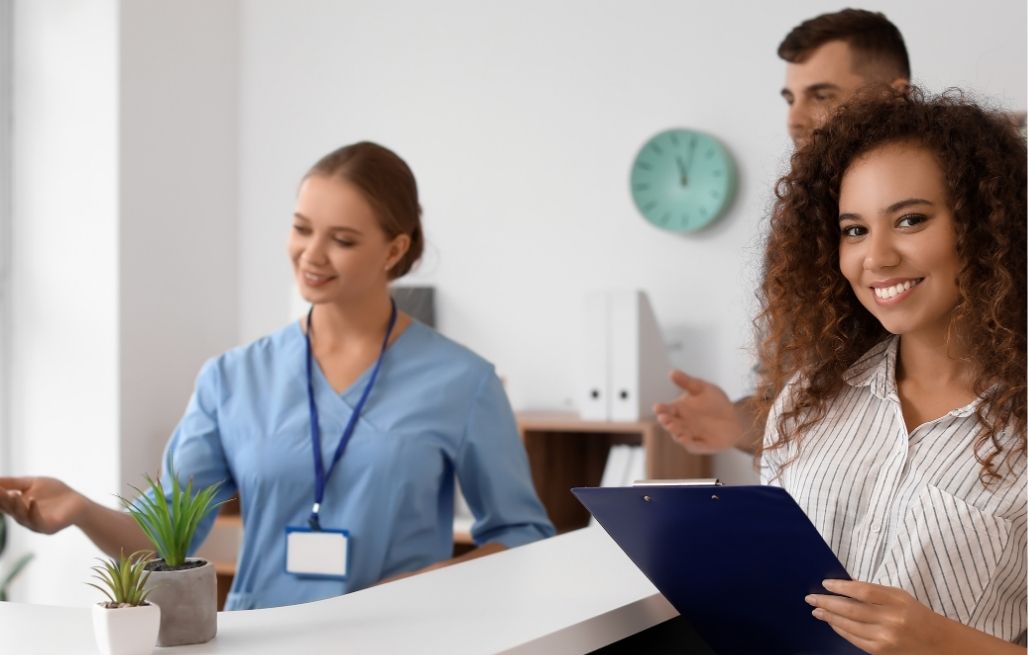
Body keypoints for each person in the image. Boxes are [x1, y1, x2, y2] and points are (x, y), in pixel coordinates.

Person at [0, 141, 555, 610]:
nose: (312, 255)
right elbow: (162, 540)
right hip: (261, 653)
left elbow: (523, 536)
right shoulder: (232, 378)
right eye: (301, 228)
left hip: (399, 651)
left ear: (395, 249)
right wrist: (79, 509)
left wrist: (417, 588)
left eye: (342, 240)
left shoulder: (463, 381)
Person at [758, 88, 1026, 655]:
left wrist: (932, 639)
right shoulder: (808, 402)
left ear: (986, 227)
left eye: (910, 220)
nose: (875, 257)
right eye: (853, 230)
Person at [655, 8, 910, 457]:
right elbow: (791, 406)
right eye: (789, 98)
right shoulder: (798, 232)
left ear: (894, 97)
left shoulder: (971, 212)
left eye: (821, 95)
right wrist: (734, 423)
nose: (795, 119)